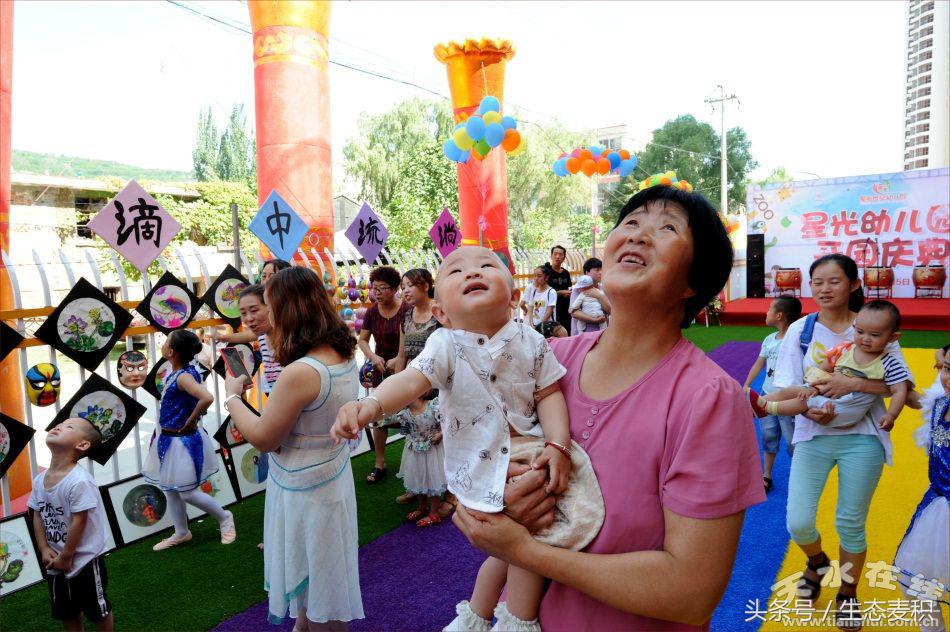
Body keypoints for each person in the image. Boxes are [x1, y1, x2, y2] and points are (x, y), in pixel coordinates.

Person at [450, 179, 766, 631]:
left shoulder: (707, 399)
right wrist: (493, 503)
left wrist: (524, 550)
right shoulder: (549, 360)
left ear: (694, 281)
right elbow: (472, 466)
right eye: (631, 222)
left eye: (667, 229)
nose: (637, 234)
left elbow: (690, 591)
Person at [332, 246, 604, 632]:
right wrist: (372, 404)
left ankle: (475, 617)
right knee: (532, 542)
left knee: (512, 549)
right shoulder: (446, 344)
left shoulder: (531, 341)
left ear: (512, 298)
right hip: (480, 460)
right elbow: (412, 380)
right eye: (456, 270)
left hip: (529, 450)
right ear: (442, 312)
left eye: (486, 266)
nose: (472, 271)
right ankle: (519, 621)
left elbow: (548, 395)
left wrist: (558, 444)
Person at [771, 254, 915, 629]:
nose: (824, 288)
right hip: (813, 435)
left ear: (852, 284)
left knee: (851, 523)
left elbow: (902, 387)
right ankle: (817, 561)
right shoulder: (801, 331)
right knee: (799, 522)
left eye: (833, 281)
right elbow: (781, 384)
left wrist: (853, 384)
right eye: (817, 281)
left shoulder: (873, 324)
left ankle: (848, 595)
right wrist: (805, 408)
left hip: (862, 438)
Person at [223, 266, 364, 630]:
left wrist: (232, 398)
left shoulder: (302, 370)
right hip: (328, 476)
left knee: (318, 584)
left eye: (267, 306)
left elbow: (265, 437)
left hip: (305, 488)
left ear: (287, 310)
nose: (262, 315)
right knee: (322, 581)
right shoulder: (341, 350)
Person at [750, 300, 910, 430]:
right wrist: (812, 387)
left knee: (805, 401)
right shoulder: (846, 348)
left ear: (893, 337)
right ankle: (755, 406)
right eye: (860, 332)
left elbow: (900, 391)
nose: (866, 338)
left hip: (846, 407)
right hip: (829, 397)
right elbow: (822, 369)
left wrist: (891, 415)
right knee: (795, 391)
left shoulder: (889, 363)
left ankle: (768, 408)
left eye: (874, 335)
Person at [144, 329, 236, 551]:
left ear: (172, 352)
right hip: (168, 439)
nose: (163, 344)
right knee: (171, 488)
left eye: (166, 341)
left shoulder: (184, 376)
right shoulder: (182, 371)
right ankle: (181, 532)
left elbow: (207, 397)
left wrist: (191, 419)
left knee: (185, 491)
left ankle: (225, 517)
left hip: (181, 440)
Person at [29, 418, 114, 631]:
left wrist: (67, 556)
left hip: (84, 559)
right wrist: (44, 548)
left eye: (69, 427)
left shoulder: (79, 481)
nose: (58, 426)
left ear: (82, 445)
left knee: (97, 610)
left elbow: (80, 520)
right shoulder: (40, 480)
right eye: (60, 424)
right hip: (55, 560)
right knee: (67, 610)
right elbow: (37, 514)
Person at [894, 345, 949, 632]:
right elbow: (917, 398)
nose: (949, 378)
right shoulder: (940, 403)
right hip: (936, 509)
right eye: (948, 369)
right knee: (916, 581)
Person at [389, 268, 449, 511]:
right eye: (403, 286)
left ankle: (450, 495)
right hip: (414, 388)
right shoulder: (406, 316)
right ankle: (417, 488)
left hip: (438, 388)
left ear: (425, 286)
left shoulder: (440, 313)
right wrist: (397, 388)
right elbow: (402, 355)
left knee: (440, 443)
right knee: (416, 440)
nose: (404, 291)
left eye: (409, 285)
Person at [741, 295, 802, 492]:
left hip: (788, 401)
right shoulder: (769, 340)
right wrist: (747, 385)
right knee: (768, 436)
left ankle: (801, 475)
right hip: (766, 395)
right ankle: (766, 475)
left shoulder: (797, 341)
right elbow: (759, 363)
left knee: (792, 441)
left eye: (769, 309)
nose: (766, 313)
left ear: (780, 316)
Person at [357, 265, 408, 484]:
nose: (376, 292)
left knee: (410, 414)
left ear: (396, 289)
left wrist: (399, 358)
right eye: (374, 287)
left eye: (382, 288)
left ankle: (413, 462)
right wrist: (373, 357)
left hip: (405, 368)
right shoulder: (371, 312)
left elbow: (412, 338)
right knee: (378, 417)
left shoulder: (407, 309)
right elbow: (362, 340)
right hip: (380, 368)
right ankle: (380, 463)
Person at [393, 392, 447, 527]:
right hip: (415, 453)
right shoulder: (405, 414)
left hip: (432, 451)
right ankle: (422, 507)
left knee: (433, 480)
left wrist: (440, 434)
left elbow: (446, 424)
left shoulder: (433, 406)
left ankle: (434, 512)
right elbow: (407, 431)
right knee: (418, 480)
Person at [545, 245, 573, 331]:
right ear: (551, 256)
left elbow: (568, 288)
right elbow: (544, 292)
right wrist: (561, 292)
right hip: (552, 308)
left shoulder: (566, 273)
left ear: (564, 257)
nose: (558, 257)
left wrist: (568, 293)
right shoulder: (546, 272)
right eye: (555, 254)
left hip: (565, 307)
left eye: (560, 255)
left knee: (567, 329)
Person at [520, 265, 556, 330]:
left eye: (539, 276)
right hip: (534, 325)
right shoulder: (534, 292)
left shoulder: (551, 292)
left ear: (546, 277)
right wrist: (531, 324)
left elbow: (549, 311)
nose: (536, 278)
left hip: (546, 326)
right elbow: (530, 309)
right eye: (535, 275)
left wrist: (539, 326)